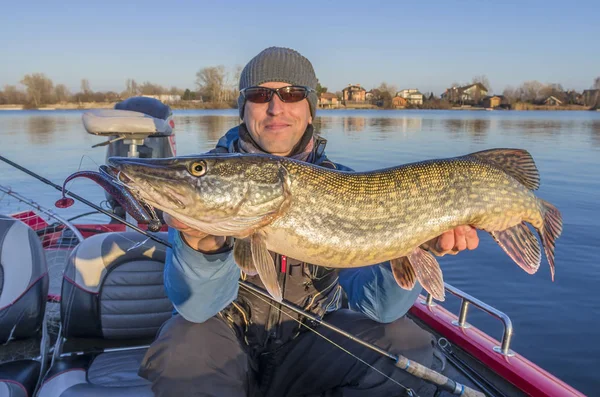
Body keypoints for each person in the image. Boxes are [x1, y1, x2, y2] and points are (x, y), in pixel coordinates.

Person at [139, 47, 479, 396]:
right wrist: (205, 246)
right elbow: (196, 309)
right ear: (243, 109)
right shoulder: (212, 181)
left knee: (406, 344)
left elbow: (380, 308)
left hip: (311, 343)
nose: (276, 108)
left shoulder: (346, 184)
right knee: (181, 348)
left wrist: (415, 241)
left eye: (292, 94)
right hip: (225, 343)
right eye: (259, 95)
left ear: (311, 109)